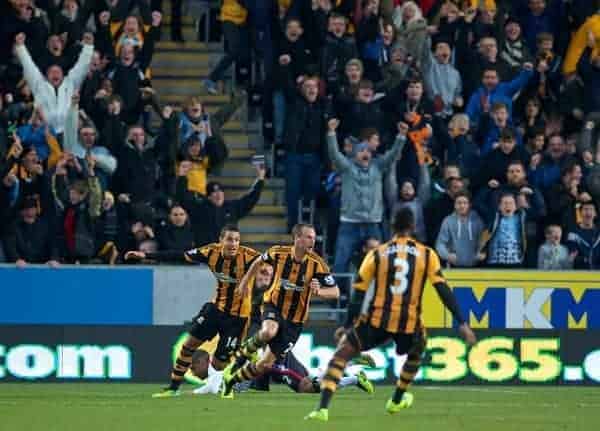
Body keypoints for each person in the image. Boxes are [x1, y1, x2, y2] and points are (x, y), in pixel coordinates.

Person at [305, 207, 476, 422]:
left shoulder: (376, 254)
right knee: (416, 352)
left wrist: (348, 325)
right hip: (409, 322)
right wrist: (461, 322)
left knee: (341, 356)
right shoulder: (427, 254)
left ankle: (322, 409)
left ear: (391, 227)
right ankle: (396, 399)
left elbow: (358, 293)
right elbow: (443, 290)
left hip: (377, 319)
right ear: (413, 227)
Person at [124, 225, 261, 398]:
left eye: (236, 240)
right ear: (221, 240)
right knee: (188, 346)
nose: (233, 243)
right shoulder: (210, 252)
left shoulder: (249, 256)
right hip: (215, 309)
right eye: (229, 239)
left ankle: (232, 369)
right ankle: (173, 388)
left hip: (238, 318)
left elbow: (270, 263)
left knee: (219, 364)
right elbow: (179, 255)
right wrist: (146, 255)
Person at [220, 224, 340, 399]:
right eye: (308, 237)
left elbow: (335, 292)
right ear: (297, 238)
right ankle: (236, 362)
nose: (312, 241)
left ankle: (230, 381)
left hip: (295, 321)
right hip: (273, 305)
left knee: (264, 365)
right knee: (268, 331)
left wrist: (319, 292)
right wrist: (245, 281)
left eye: (314, 237)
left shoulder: (317, 264)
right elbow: (258, 262)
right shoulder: (278, 253)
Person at [14, 31, 94, 134]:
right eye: (51, 72)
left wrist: (88, 47)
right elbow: (29, 66)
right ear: (46, 76)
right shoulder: (39, 84)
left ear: (63, 75)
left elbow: (81, 67)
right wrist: (20, 46)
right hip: (44, 133)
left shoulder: (70, 83)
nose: (55, 73)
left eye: (58, 72)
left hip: (67, 133)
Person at [176, 163, 265, 246]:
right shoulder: (199, 208)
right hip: (205, 256)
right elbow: (182, 197)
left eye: (220, 191)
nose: (218, 194)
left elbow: (251, 199)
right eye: (214, 192)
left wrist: (260, 178)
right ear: (208, 197)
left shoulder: (232, 207)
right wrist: (182, 176)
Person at [435, 192, 485, 268]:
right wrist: (447, 255)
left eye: (465, 203)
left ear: (469, 205)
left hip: (476, 266)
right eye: (459, 203)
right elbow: (440, 244)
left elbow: (483, 242)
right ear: (454, 205)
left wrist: (482, 253)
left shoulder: (478, 221)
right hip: (454, 266)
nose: (462, 206)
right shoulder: (448, 221)